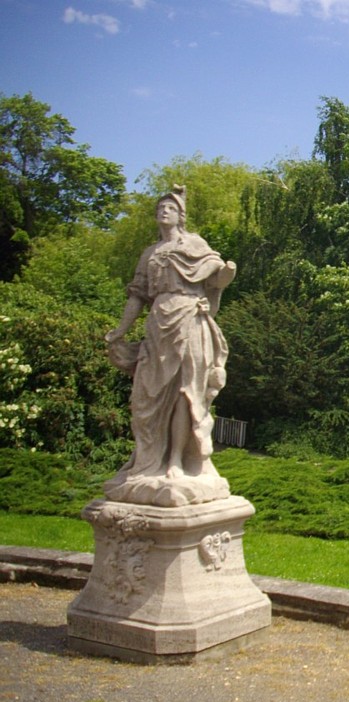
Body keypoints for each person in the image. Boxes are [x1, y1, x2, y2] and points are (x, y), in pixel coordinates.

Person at [104, 186, 236, 506]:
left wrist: (227, 273)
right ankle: (148, 461)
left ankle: (176, 460)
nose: (164, 211)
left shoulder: (195, 244)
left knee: (185, 394)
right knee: (145, 397)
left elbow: (216, 278)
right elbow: (137, 296)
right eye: (160, 208)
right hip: (157, 325)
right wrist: (121, 330)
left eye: (171, 207)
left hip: (188, 319)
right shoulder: (149, 253)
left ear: (181, 215)